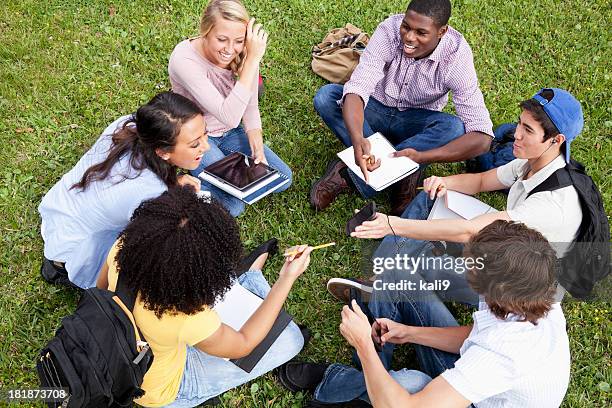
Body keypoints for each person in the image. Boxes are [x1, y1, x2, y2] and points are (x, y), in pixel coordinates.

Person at [327, 87, 584, 304]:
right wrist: (444, 182)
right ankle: (382, 275)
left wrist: (392, 224)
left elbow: (469, 231)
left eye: (528, 130)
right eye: (519, 123)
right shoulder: (533, 161)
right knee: (433, 197)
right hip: (510, 243)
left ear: (555, 140)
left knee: (427, 268)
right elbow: (482, 180)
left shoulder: (551, 205)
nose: (516, 133)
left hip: (518, 286)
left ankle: (385, 286)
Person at [281, 221, 571, 407]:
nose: (463, 267)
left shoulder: (503, 354)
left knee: (408, 384)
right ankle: (368, 380)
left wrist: (364, 345)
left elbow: (407, 407)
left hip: (476, 401)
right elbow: (476, 334)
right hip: (485, 373)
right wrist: (409, 333)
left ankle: (338, 384)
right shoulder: (529, 289)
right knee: (395, 274)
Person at [97, 187, 310, 407]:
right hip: (163, 390)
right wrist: (286, 278)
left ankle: (250, 276)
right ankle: (252, 276)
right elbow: (244, 344)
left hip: (123, 350)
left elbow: (101, 289)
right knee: (292, 339)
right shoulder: (185, 317)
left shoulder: (123, 246)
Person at [310, 0, 493, 215]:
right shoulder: (388, 30)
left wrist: (423, 157)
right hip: (375, 107)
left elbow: (482, 137)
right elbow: (358, 88)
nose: (408, 37)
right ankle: (401, 174)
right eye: (406, 26)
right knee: (327, 97)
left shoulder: (456, 57)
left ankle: (351, 175)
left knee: (453, 128)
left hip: (415, 120)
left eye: (421, 33)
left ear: (441, 31)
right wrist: (358, 137)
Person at [38, 91, 208, 289]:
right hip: (73, 256)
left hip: (59, 215)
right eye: (195, 144)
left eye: (205, 133)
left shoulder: (128, 125)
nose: (206, 147)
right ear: (162, 152)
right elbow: (157, 249)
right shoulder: (150, 194)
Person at [168, 0, 292, 217]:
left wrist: (258, 150)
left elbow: (250, 107)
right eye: (221, 39)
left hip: (231, 133)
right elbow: (230, 115)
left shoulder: (245, 52)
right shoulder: (184, 58)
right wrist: (252, 60)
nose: (229, 50)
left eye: (238, 41)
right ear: (205, 32)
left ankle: (214, 172)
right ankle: (182, 189)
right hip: (197, 139)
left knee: (283, 178)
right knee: (234, 206)